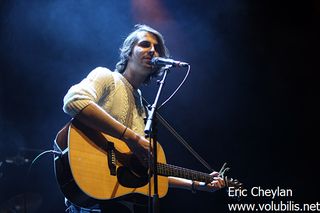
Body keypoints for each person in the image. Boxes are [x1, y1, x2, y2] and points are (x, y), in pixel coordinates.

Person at [62, 24, 225, 212]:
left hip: (121, 204)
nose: (153, 51)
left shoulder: (143, 108)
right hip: (92, 203)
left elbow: (146, 170)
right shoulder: (106, 77)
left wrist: (196, 184)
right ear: (129, 52)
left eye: (157, 49)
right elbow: (73, 101)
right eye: (145, 44)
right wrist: (131, 137)